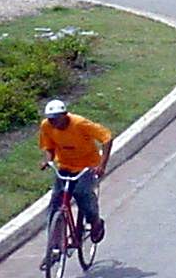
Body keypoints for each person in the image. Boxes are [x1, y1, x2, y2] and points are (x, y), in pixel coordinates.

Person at [39, 99, 111, 244]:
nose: (53, 122)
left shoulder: (79, 123)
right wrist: (47, 160)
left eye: (56, 118)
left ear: (64, 115)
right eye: (50, 119)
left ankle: (95, 222)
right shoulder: (46, 126)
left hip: (87, 166)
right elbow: (49, 146)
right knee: (55, 203)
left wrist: (102, 165)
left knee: (82, 193)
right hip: (65, 166)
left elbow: (106, 138)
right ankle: (55, 247)